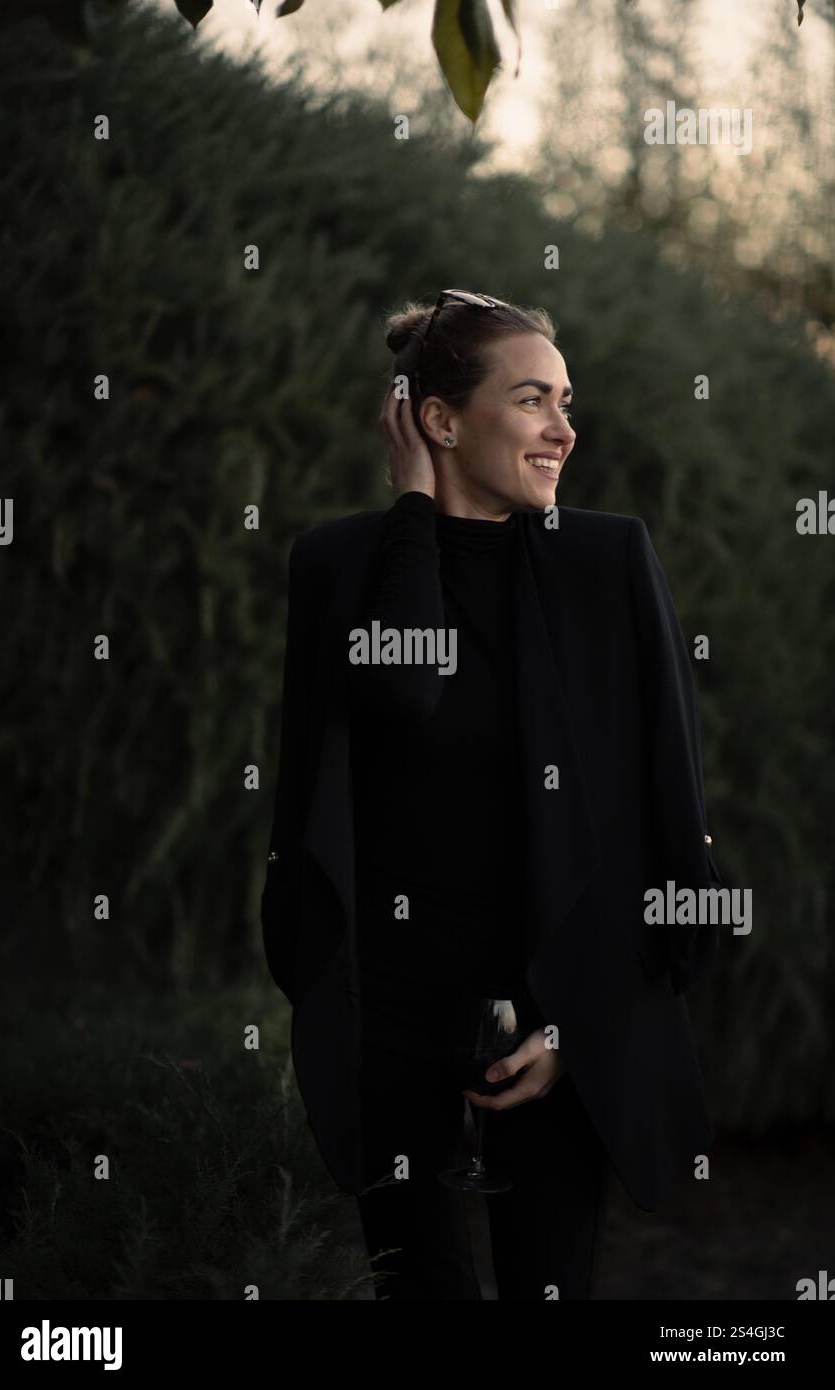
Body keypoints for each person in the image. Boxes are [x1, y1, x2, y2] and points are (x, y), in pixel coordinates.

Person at [261, 289, 723, 1301]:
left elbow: (665, 809)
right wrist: (415, 507)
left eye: (566, 401)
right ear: (438, 420)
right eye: (532, 400)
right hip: (390, 1020)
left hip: (559, 1024)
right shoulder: (339, 566)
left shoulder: (609, 561)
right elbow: (400, 690)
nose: (565, 428)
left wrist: (579, 1023)